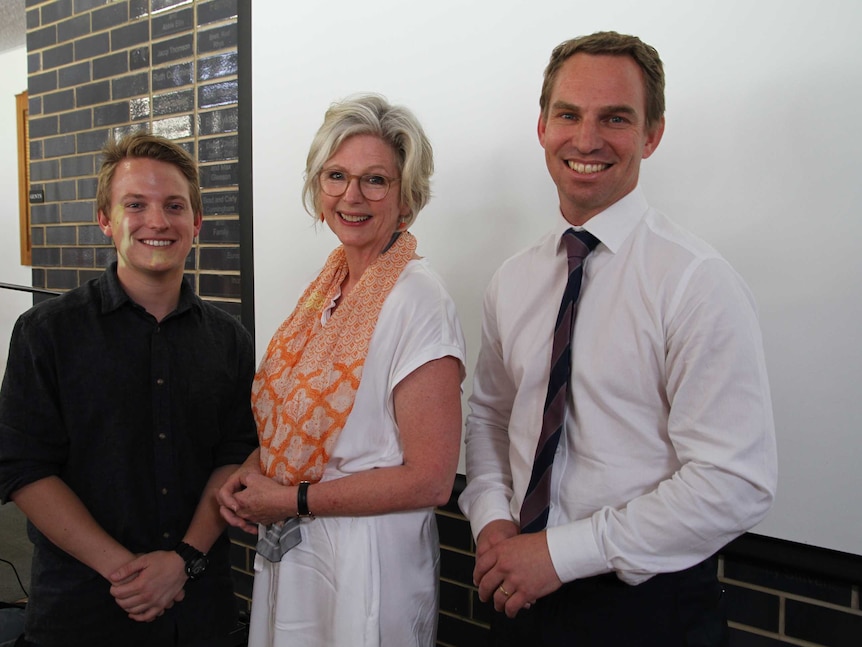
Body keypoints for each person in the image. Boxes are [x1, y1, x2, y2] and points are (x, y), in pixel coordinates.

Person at [459, 31, 777, 646]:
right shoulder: (513, 280)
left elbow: (734, 482)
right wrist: (492, 520)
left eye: (616, 118)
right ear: (543, 128)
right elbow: (491, 419)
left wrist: (563, 553)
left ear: (652, 134)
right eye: (568, 115)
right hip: (517, 590)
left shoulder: (696, 283)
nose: (586, 139)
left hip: (647, 609)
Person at [217, 94, 466, 647]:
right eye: (336, 176)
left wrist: (289, 500)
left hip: (368, 562)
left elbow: (431, 478)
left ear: (406, 196)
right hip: (303, 548)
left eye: (375, 179)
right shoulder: (327, 288)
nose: (352, 196)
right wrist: (255, 467)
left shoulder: (416, 299)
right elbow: (300, 415)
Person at [0, 132, 257, 647]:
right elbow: (24, 468)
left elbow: (236, 455)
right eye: (135, 205)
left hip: (197, 609)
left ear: (197, 223)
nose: (157, 222)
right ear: (105, 220)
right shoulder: (46, 332)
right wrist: (127, 571)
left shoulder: (228, 338)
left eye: (174, 206)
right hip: (81, 609)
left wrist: (183, 562)